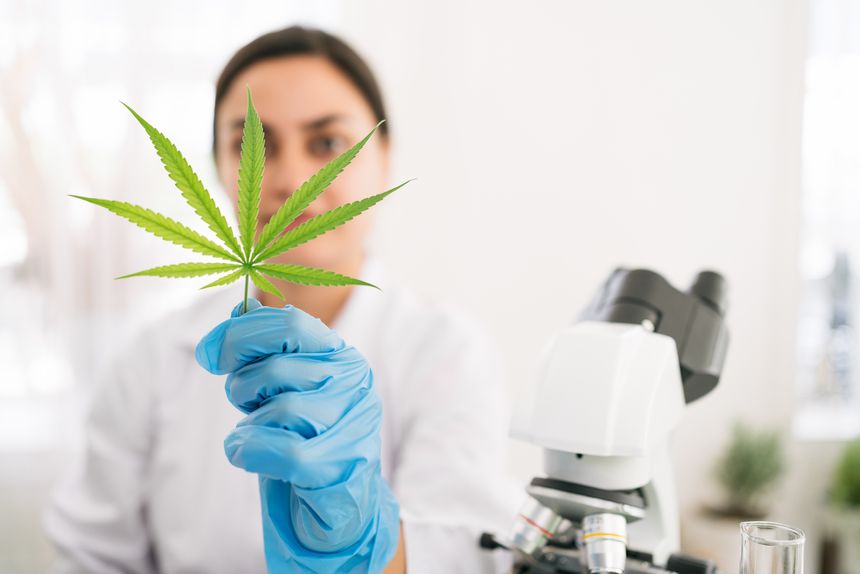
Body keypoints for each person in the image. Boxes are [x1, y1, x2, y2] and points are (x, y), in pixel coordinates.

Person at [45, 25, 517, 573]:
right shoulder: (151, 360)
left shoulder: (443, 350)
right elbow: (90, 558)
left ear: (383, 157)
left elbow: (463, 555)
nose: (292, 179)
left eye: (328, 144)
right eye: (253, 148)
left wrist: (354, 535)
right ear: (220, 166)